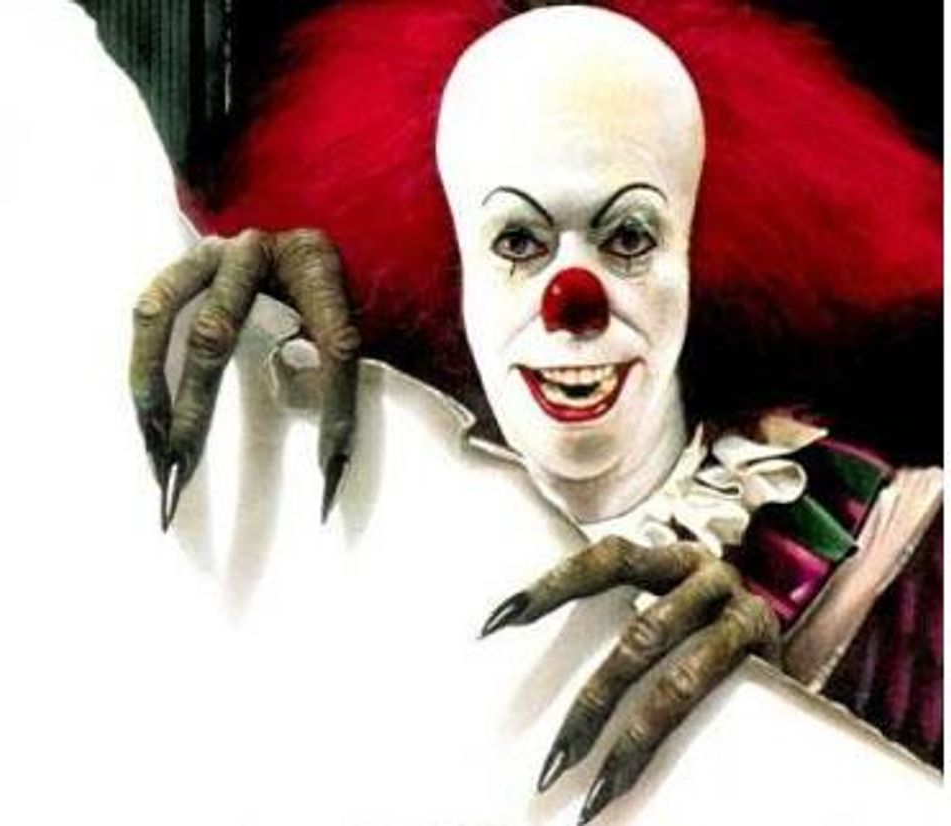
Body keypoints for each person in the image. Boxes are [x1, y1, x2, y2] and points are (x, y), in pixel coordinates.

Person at [128, 0, 943, 822]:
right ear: (454, 257)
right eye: (518, 242)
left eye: (629, 238)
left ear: (700, 248)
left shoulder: (895, 559)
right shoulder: (367, 501)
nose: (573, 304)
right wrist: (254, 367)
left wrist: (783, 730)